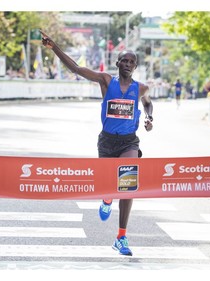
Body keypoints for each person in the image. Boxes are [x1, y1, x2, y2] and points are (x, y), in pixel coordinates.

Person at [40, 30, 153, 256]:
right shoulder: (106, 80)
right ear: (118, 63)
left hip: (130, 142)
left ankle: (121, 236)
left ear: (135, 66)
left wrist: (150, 117)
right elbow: (77, 69)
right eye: (125, 60)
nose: (128, 64)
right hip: (107, 141)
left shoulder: (140, 88)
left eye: (133, 62)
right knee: (110, 185)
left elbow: (148, 104)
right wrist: (55, 48)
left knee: (127, 184)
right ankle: (106, 197)